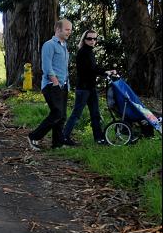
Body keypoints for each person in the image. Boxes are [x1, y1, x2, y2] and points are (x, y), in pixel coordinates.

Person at [62, 30, 115, 146]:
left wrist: (107, 71)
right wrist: (106, 72)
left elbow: (94, 67)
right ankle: (64, 137)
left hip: (91, 88)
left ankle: (99, 138)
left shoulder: (89, 52)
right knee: (76, 114)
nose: (92, 41)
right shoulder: (83, 52)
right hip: (83, 89)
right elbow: (91, 69)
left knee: (95, 114)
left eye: (95, 39)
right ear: (84, 39)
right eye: (89, 39)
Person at [27, 19, 73, 151]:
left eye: (70, 29)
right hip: (51, 86)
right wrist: (55, 82)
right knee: (57, 113)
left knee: (62, 115)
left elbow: (64, 68)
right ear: (58, 29)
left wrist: (65, 84)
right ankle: (33, 136)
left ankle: (57, 143)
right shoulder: (49, 45)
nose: (69, 32)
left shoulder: (64, 46)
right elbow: (46, 66)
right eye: (67, 29)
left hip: (63, 85)